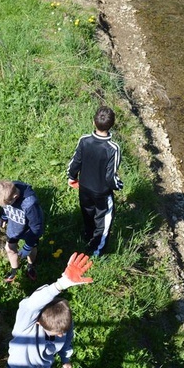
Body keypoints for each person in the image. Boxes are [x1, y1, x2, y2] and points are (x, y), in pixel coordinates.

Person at [67, 106, 123, 256]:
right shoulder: (113, 148)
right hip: (102, 192)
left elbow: (75, 162)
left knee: (88, 212)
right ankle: (96, 251)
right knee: (103, 220)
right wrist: (118, 185)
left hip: (84, 187)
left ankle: (87, 235)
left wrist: (71, 177)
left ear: (94, 122)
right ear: (112, 124)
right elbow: (110, 176)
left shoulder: (84, 140)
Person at [0, 180, 44, 282]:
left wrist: (28, 246)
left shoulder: (29, 204)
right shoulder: (8, 192)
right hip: (14, 227)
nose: (5, 206)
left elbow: (36, 227)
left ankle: (30, 265)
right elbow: (5, 208)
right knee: (9, 248)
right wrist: (4, 218)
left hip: (30, 231)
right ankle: (14, 271)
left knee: (32, 249)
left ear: (15, 197)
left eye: (7, 204)